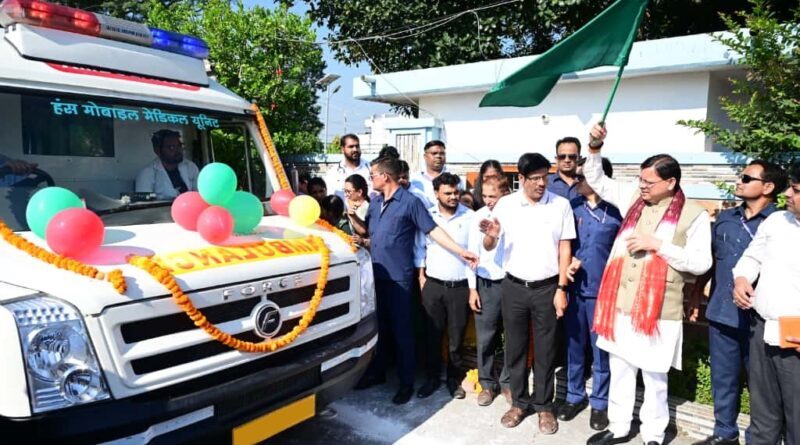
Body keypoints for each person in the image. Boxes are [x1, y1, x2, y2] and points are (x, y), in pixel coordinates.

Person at [584, 125, 712, 445]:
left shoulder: (693, 215)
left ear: (671, 182)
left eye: (649, 182)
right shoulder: (633, 200)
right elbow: (596, 178)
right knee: (621, 368)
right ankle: (618, 427)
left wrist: (659, 245)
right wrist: (595, 148)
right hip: (621, 303)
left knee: (655, 375)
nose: (642, 186)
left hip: (658, 310)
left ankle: (653, 433)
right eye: (640, 180)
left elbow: (701, 263)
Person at [351, 157, 478, 405]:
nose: (370, 179)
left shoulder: (410, 203)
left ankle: (406, 383)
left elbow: (433, 230)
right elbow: (369, 233)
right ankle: (378, 373)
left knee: (403, 333)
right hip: (377, 277)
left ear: (385, 176)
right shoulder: (375, 203)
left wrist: (460, 251)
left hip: (400, 280)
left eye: (373, 175)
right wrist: (353, 217)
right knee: (380, 329)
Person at [688, 160, 786, 445]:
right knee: (723, 378)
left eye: (746, 178)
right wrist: (696, 292)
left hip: (761, 320)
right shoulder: (726, 218)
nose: (739, 181)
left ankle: (763, 438)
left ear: (768, 187)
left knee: (763, 386)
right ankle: (724, 433)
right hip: (722, 312)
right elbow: (711, 258)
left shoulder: (780, 223)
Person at [480, 152, 574, 435]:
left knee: (546, 350)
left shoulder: (560, 205)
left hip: (547, 287)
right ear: (520, 178)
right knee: (515, 348)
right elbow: (488, 245)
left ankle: (544, 406)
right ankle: (519, 403)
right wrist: (492, 235)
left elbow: (565, 248)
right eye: (534, 178)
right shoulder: (507, 205)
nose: (541, 183)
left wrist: (561, 288)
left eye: (545, 177)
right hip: (514, 287)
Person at [732, 161, 800, 445]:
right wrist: (741, 279)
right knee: (763, 416)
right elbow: (752, 257)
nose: (787, 194)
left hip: (795, 338)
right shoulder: (777, 221)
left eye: (796, 190)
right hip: (762, 329)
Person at [558, 160, 622, 432]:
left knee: (601, 351)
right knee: (574, 346)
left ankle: (600, 402)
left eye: (581, 177)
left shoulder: (617, 212)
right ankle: (574, 396)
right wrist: (569, 263)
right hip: (574, 289)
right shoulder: (571, 208)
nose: (576, 181)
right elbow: (561, 245)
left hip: (604, 293)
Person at [417, 172, 475, 400]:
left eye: (456, 192)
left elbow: (473, 255)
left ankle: (454, 379)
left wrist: (472, 288)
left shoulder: (470, 217)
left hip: (460, 287)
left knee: (456, 338)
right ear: (436, 194)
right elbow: (419, 249)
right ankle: (432, 379)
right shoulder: (428, 217)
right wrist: (421, 278)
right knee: (432, 335)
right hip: (433, 285)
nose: (453, 197)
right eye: (448, 193)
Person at [468, 176, 512, 407]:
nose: (488, 201)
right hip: (486, 284)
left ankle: (507, 382)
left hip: (512, 283)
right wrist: (472, 288)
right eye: (485, 196)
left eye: (493, 196)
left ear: (505, 193)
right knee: (486, 337)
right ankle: (486, 383)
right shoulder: (478, 216)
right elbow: (471, 255)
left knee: (512, 336)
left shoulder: (515, 215)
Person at [135, 129, 199, 200]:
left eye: (179, 146)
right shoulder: (146, 174)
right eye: (171, 147)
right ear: (157, 150)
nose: (178, 150)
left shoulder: (190, 167)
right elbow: (144, 203)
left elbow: (200, 195)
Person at [410, 140, 464, 208]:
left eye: (442, 153)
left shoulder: (455, 179)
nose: (438, 156)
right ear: (425, 156)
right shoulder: (414, 179)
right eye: (434, 153)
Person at [323, 134, 371, 199]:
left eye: (357, 146)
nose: (355, 149)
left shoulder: (370, 168)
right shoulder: (333, 173)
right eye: (351, 147)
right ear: (342, 149)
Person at [548, 136, 583, 200]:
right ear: (556, 159)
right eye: (562, 156)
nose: (567, 160)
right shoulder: (546, 183)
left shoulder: (588, 183)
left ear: (579, 158)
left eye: (572, 156)